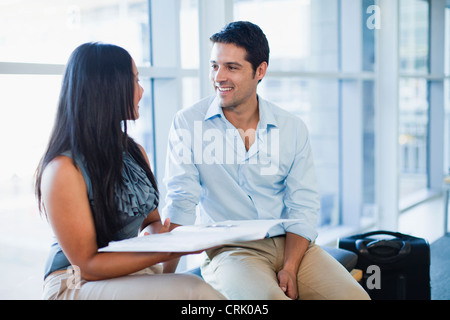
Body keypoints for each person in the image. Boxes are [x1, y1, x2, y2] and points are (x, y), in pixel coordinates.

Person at [163, 21, 370, 300]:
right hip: (231, 251)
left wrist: (290, 266)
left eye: (231, 67)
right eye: (215, 66)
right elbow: (181, 201)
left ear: (260, 71)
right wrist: (165, 279)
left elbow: (303, 206)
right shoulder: (188, 123)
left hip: (291, 245)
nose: (218, 77)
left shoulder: (291, 127)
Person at [34, 42, 225, 300]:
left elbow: (151, 222)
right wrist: (170, 251)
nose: (142, 91)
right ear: (108, 89)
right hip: (73, 281)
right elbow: (87, 265)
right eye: (134, 81)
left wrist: (167, 236)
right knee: (195, 291)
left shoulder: (134, 152)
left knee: (214, 282)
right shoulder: (63, 170)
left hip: (123, 274)